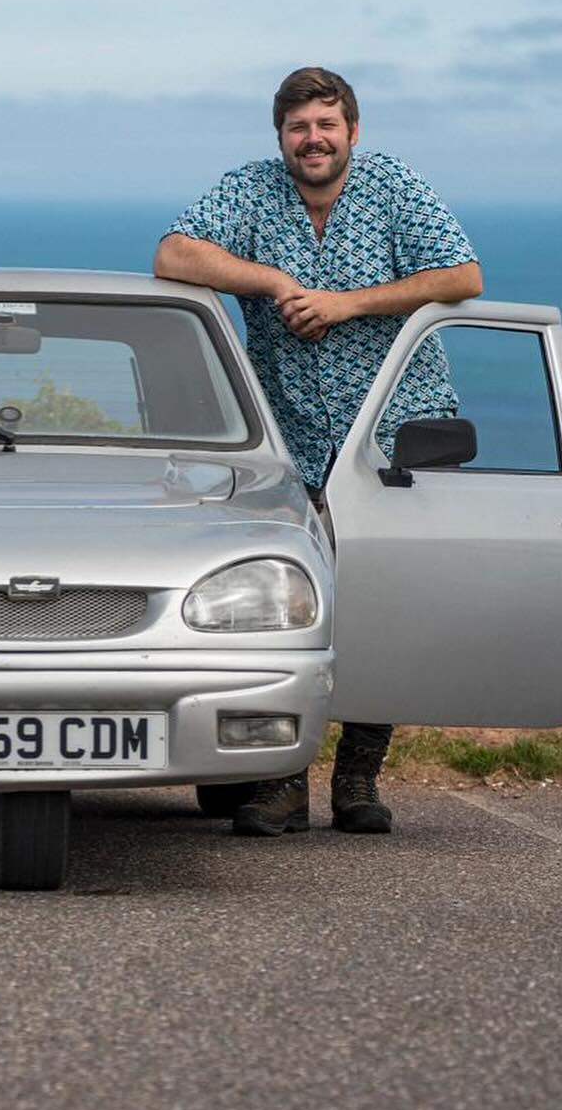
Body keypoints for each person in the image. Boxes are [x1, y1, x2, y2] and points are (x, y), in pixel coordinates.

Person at [155, 66, 482, 838]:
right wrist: (273, 281)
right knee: (291, 606)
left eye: (326, 126)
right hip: (290, 439)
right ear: (281, 138)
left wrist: (346, 304)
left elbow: (463, 275)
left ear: (353, 133)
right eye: (299, 128)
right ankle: (282, 784)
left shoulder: (395, 186)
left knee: (386, 604)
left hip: (397, 430)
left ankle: (359, 780)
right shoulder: (252, 190)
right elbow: (174, 256)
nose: (313, 139)